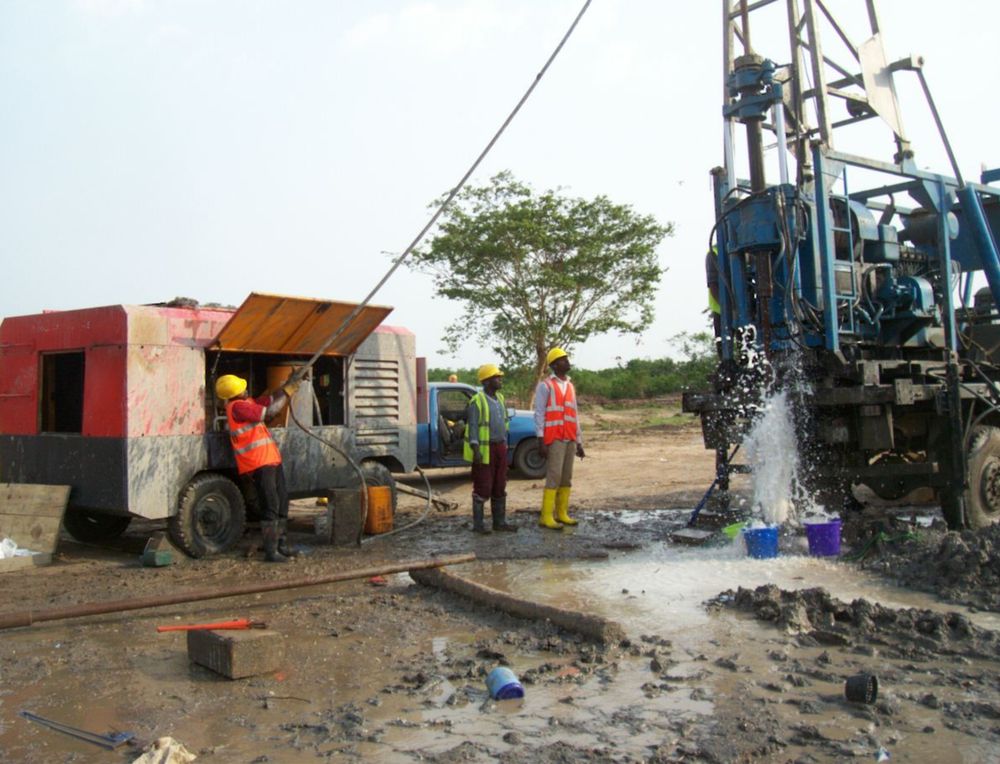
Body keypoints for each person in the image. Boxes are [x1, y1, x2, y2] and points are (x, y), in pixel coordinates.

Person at [215, 374, 300, 563]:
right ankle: (271, 551)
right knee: (270, 505)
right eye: (242, 388)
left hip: (270, 461)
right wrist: (287, 393)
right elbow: (269, 412)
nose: (247, 389)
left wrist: (286, 385)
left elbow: (269, 400)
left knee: (282, 502)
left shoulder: (246, 403)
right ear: (237, 392)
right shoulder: (238, 408)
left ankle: (281, 544)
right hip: (258, 464)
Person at [534, 348, 585, 530]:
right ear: (555, 365)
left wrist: (579, 441)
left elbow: (575, 414)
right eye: (563, 359)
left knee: (566, 477)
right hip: (554, 437)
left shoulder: (570, 386)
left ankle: (562, 513)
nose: (567, 361)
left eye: (567, 358)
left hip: (570, 436)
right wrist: (541, 440)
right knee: (553, 476)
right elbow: (539, 413)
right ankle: (546, 516)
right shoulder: (545, 386)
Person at [464, 364, 517, 533]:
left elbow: (504, 423)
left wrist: (505, 445)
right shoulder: (477, 401)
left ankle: (499, 523)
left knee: (500, 485)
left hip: (500, 447)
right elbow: (472, 427)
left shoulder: (500, 399)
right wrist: (476, 449)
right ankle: (478, 526)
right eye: (496, 377)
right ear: (487, 381)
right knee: (483, 486)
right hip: (485, 451)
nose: (500, 380)